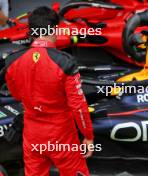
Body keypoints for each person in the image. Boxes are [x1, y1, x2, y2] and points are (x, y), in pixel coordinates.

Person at [4, 6, 94, 176]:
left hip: (32, 135)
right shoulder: (65, 62)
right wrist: (88, 136)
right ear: (54, 29)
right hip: (62, 136)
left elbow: (15, 94)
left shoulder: (12, 61)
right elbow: (78, 106)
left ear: (31, 31)